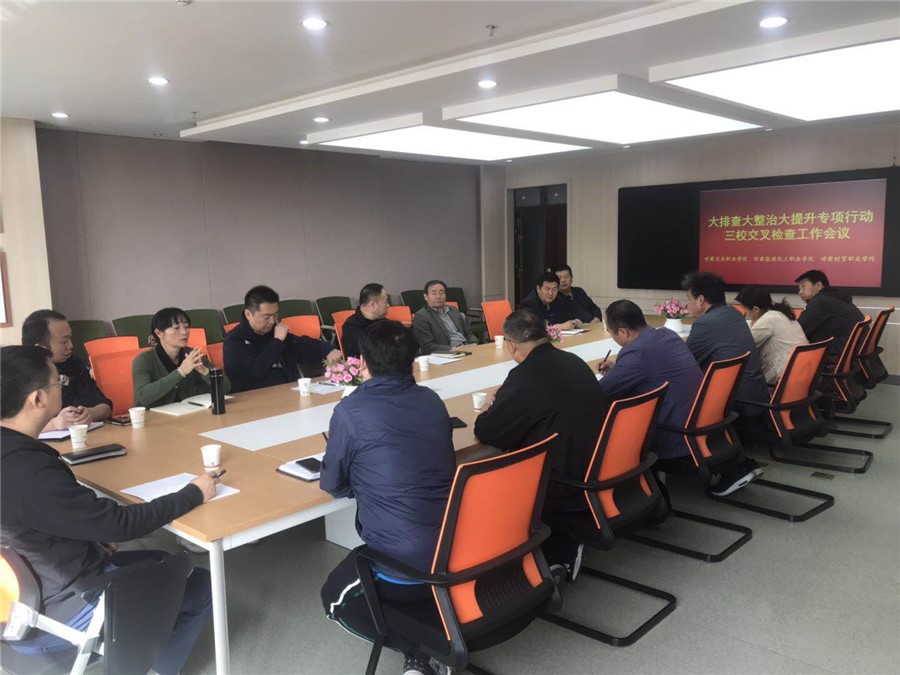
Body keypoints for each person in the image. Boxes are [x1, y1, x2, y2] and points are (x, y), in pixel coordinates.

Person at [0, 345, 217, 674]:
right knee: (201, 583)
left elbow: (35, 520)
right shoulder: (29, 473)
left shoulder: (12, 453)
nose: (63, 386)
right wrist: (192, 493)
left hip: (18, 596)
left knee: (159, 560)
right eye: (58, 381)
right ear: (38, 399)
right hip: (56, 609)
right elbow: (121, 524)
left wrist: (92, 538)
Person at [319, 321, 456, 675]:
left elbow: (333, 483)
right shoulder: (432, 401)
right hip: (458, 549)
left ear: (363, 363)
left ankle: (423, 649)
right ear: (413, 361)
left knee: (333, 601)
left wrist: (364, 480)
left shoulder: (350, 411)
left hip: (404, 565)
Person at [474, 309, 609, 583]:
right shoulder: (573, 361)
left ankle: (555, 549)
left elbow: (488, 432)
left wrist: (491, 407)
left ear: (511, 345)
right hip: (598, 463)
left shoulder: (525, 376)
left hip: (560, 481)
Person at [682, 271, 767, 495]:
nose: (687, 305)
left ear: (701, 300)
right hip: (753, 393)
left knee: (677, 397)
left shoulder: (705, 324)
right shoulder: (732, 313)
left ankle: (727, 468)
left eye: (689, 299)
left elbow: (683, 364)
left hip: (736, 400)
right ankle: (737, 464)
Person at [598, 300, 702, 464]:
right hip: (699, 427)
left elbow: (599, 393)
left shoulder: (636, 353)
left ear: (623, 332)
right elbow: (652, 368)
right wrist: (619, 369)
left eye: (611, 333)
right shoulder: (668, 335)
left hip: (673, 438)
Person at [224, 285, 340, 392]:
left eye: (276, 315)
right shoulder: (234, 340)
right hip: (252, 397)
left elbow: (303, 345)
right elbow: (256, 370)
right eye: (266, 317)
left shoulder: (274, 332)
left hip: (287, 392)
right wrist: (277, 341)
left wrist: (328, 350)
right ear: (248, 314)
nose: (272, 321)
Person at [21, 310, 112, 433]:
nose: (71, 345)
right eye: (64, 341)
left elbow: (105, 407)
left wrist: (90, 413)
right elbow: (10, 426)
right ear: (40, 348)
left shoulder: (73, 364)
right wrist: (54, 424)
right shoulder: (15, 373)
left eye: (70, 339)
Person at [133, 307, 231, 408]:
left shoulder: (192, 354)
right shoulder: (144, 360)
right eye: (176, 328)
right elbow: (142, 396)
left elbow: (226, 388)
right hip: (154, 415)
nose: (184, 332)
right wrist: (180, 372)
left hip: (188, 412)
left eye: (186, 326)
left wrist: (204, 371)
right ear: (159, 333)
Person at [735, 286, 809, 385]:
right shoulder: (779, 313)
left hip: (785, 375)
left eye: (745, 309)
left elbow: (744, 347)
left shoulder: (768, 320)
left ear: (756, 309)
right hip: (800, 371)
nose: (746, 313)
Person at [795, 269, 864, 361]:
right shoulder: (833, 296)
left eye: (803, 287)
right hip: (851, 351)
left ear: (818, 285)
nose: (800, 292)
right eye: (799, 288)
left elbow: (799, 329)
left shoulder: (821, 301)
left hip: (837, 355)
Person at [411, 279, 478, 354]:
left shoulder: (453, 310)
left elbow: (468, 333)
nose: (438, 296)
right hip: (448, 353)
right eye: (434, 293)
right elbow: (427, 346)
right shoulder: (421, 316)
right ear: (426, 297)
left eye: (441, 293)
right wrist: (454, 349)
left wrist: (474, 343)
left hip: (468, 348)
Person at [340, 283, 389, 358]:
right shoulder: (351, 327)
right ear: (373, 305)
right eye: (385, 302)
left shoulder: (384, 322)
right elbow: (371, 352)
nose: (388, 305)